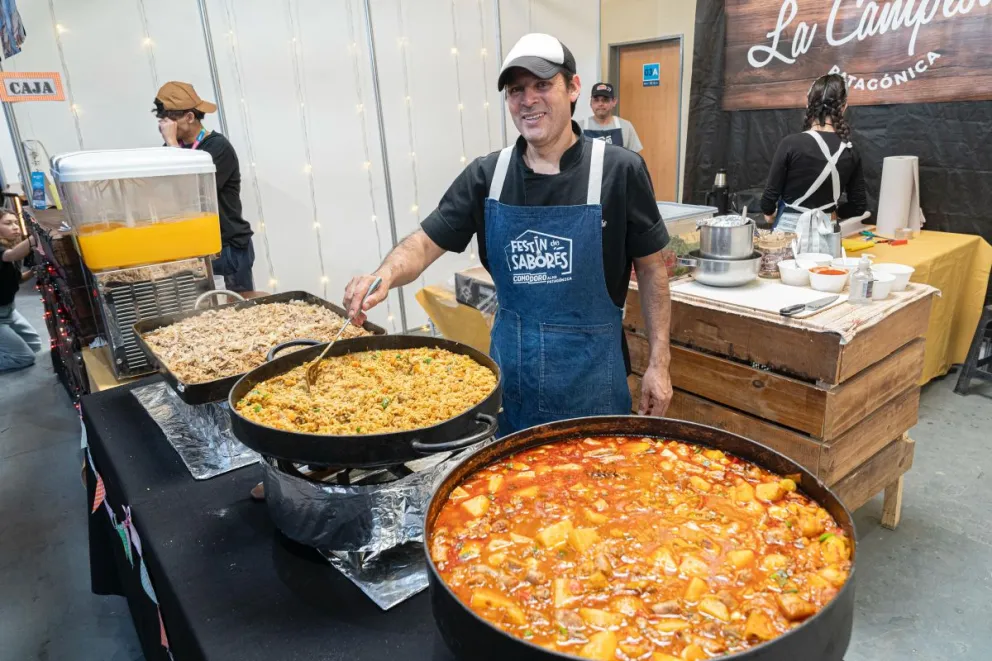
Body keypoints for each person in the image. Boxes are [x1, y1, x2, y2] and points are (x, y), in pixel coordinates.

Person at [344, 33, 673, 437]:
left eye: (542, 84)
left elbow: (653, 270)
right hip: (512, 392)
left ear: (573, 88)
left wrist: (659, 362)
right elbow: (426, 241)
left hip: (594, 393)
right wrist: (384, 275)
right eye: (516, 90)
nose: (528, 100)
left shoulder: (619, 171)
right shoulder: (487, 176)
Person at [153, 81, 256, 292]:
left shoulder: (217, 147)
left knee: (236, 306)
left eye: (170, 120)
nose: (165, 127)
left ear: (190, 117)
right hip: (196, 249)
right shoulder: (175, 149)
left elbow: (191, 193)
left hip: (227, 249)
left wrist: (172, 145)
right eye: (162, 120)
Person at [761, 73, 868, 243]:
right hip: (827, 233)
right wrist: (833, 213)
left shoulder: (791, 144)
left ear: (807, 105)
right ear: (843, 108)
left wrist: (769, 214)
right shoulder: (850, 151)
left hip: (788, 236)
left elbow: (768, 201)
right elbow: (858, 206)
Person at [0, 210, 42, 372]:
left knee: (34, 345)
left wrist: (34, 271)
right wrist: (35, 237)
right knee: (24, 357)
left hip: (8, 310)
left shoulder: (10, 246)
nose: (15, 227)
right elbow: (10, 255)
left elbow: (16, 280)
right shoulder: (8, 252)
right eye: (8, 223)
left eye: (16, 222)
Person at [582, 82, 643, 152]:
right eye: (596, 100)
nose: (600, 104)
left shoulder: (626, 127)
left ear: (614, 102)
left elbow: (635, 157)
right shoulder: (579, 127)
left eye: (605, 100)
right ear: (591, 103)